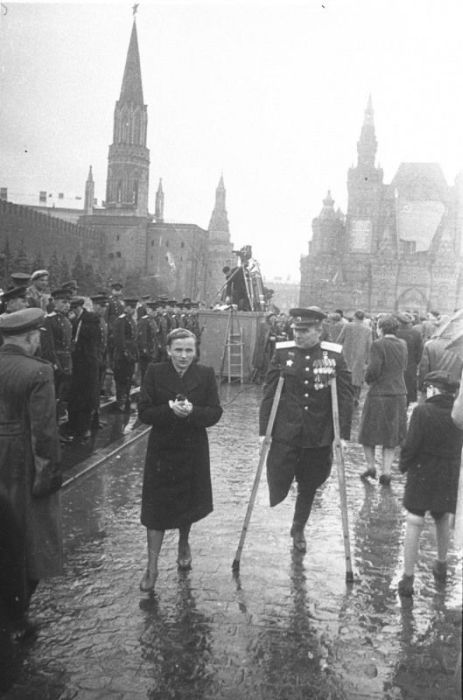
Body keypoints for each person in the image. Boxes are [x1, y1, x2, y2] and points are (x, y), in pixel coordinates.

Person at [259, 307, 354, 552]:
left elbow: (345, 396)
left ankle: (299, 526)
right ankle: (281, 499)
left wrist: (342, 434)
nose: (298, 335)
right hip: (286, 429)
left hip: (318, 431)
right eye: (295, 330)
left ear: (319, 330)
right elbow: (269, 392)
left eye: (304, 331)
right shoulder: (283, 353)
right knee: (279, 474)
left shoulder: (333, 355)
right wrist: (264, 430)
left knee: (310, 482)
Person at [138, 328, 222, 592]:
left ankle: (183, 542)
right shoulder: (155, 372)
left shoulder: (205, 374)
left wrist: (193, 412)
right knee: (155, 509)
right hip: (162, 450)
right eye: (178, 350)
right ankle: (152, 567)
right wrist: (169, 410)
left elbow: (215, 412)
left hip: (192, 449)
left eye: (189, 350)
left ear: (195, 351)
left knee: (187, 502)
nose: (184, 356)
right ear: (168, 350)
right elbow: (144, 412)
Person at [0, 308, 63, 632]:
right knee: (33, 542)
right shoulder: (38, 371)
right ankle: (16, 616)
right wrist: (48, 475)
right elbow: (44, 431)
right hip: (23, 466)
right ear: (31, 336)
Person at [397, 371, 463, 596]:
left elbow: (411, 444)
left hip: (421, 473)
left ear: (433, 389)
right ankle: (441, 564)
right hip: (448, 474)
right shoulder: (458, 414)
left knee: (414, 520)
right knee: (442, 516)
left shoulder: (422, 411)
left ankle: (408, 578)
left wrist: (403, 464)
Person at [358, 314, 408, 485]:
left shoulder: (378, 344)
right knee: (391, 435)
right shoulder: (403, 344)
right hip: (399, 393)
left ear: (380, 328)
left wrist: (367, 379)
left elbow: (374, 369)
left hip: (379, 393)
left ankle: (371, 466)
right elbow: (404, 366)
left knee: (367, 432)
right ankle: (386, 472)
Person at [66, 296, 100, 439]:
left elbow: (92, 335)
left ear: (79, 307)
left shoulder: (90, 318)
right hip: (76, 363)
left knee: (87, 396)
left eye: (74, 308)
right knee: (75, 395)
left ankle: (84, 427)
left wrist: (75, 324)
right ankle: (74, 425)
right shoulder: (74, 320)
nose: (73, 311)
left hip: (88, 363)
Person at [337, 310, 372, 405]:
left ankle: (346, 397)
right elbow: (370, 345)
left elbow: (340, 340)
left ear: (354, 317)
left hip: (346, 354)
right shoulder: (368, 330)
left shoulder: (347, 326)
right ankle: (356, 397)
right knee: (358, 378)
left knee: (346, 376)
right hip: (360, 356)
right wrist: (368, 360)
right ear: (363, 318)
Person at [112, 297, 139, 411]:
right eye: (131, 307)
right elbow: (119, 340)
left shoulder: (131, 320)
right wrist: (126, 353)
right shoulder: (121, 321)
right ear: (126, 307)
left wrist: (134, 355)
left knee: (128, 379)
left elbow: (134, 339)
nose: (133, 310)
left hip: (130, 355)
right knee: (121, 380)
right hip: (122, 356)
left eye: (134, 308)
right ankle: (120, 404)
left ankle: (127, 401)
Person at [395, 312, 423, 405]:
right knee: (408, 389)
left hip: (396, 365)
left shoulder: (395, 333)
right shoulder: (416, 333)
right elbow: (420, 352)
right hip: (411, 365)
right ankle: (406, 406)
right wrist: (414, 362)